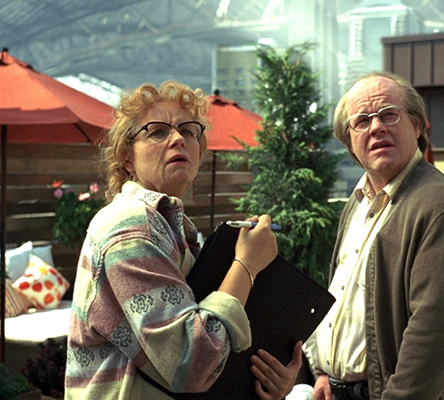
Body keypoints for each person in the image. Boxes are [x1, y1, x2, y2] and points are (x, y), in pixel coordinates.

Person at [65, 80, 302, 399]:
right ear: (127, 157)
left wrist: (264, 378)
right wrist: (245, 264)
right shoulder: (132, 224)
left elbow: (201, 347)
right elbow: (190, 363)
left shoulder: (174, 229)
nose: (178, 138)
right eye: (158, 131)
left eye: (189, 131)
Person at [301, 71, 444, 399]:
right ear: (350, 142)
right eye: (362, 121)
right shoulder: (355, 205)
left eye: (388, 114)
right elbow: (341, 298)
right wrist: (324, 372)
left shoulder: (441, 205)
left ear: (417, 126)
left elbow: (434, 335)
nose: (376, 127)